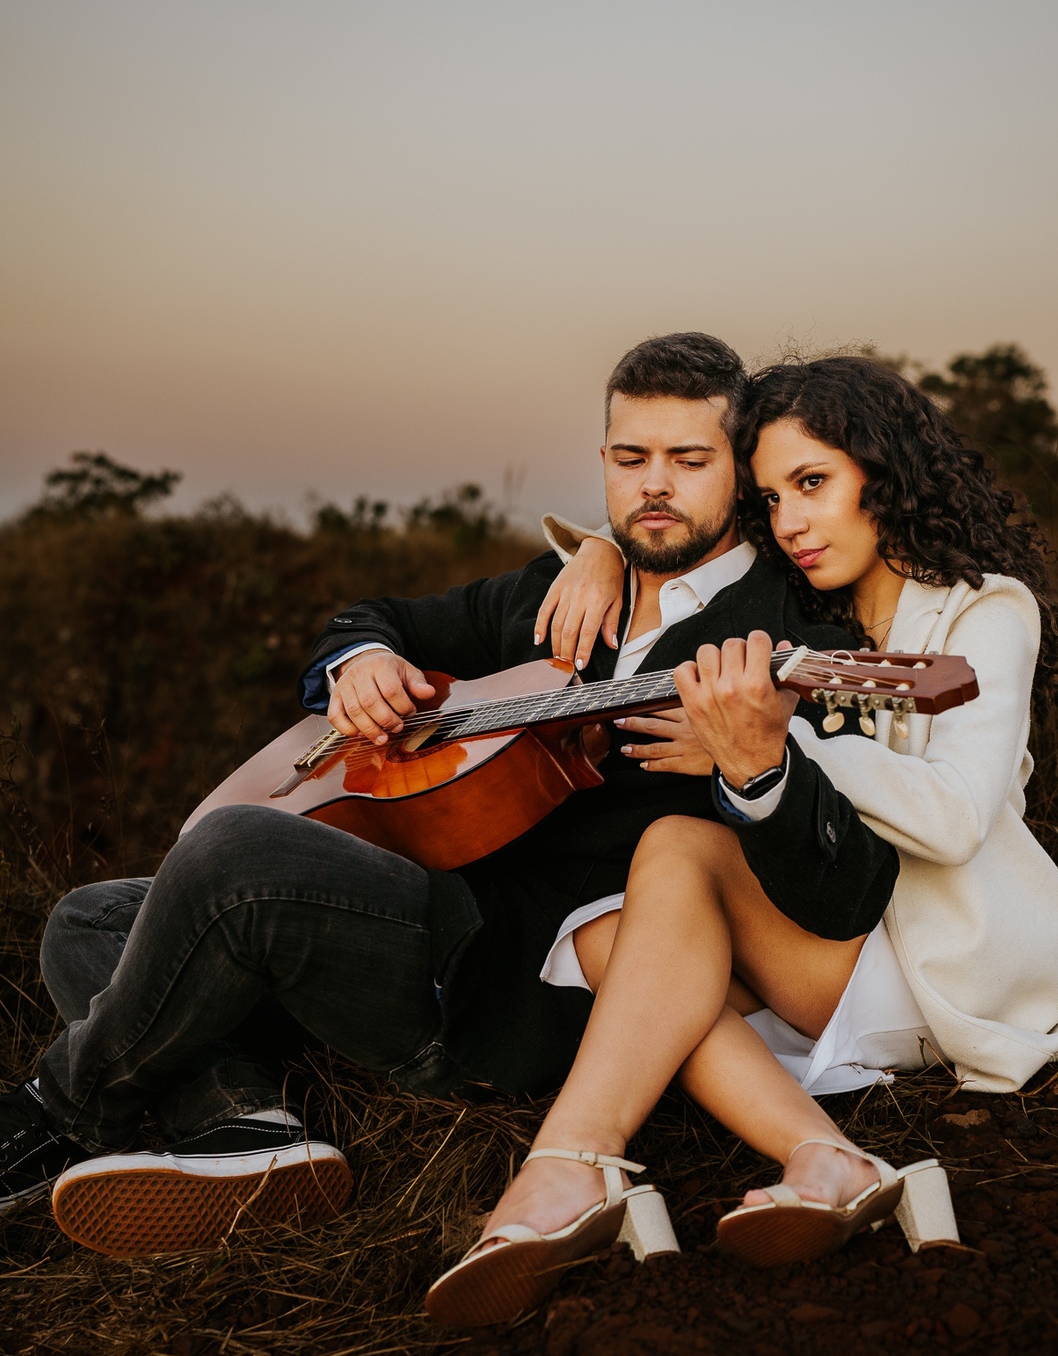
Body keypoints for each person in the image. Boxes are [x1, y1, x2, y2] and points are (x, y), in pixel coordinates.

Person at [0, 334, 897, 1261]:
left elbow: (841, 894)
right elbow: (373, 620)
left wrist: (756, 767)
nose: (655, 485)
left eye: (689, 460)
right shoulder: (552, 591)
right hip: (428, 902)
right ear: (602, 460)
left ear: (740, 471)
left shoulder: (789, 639)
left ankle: (55, 1113)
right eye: (632, 459)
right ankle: (243, 1126)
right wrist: (363, 665)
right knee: (89, 919)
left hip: (514, 984)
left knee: (232, 854)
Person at [424, 354, 1058, 1326]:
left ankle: (567, 1165)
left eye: (814, 483)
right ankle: (828, 1158)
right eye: (773, 497)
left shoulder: (985, 608)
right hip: (827, 937)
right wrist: (603, 551)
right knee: (611, 941)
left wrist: (777, 746)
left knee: (674, 847)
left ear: (886, 472)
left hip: (939, 953)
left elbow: (954, 818)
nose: (791, 523)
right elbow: (685, 546)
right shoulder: (808, 601)